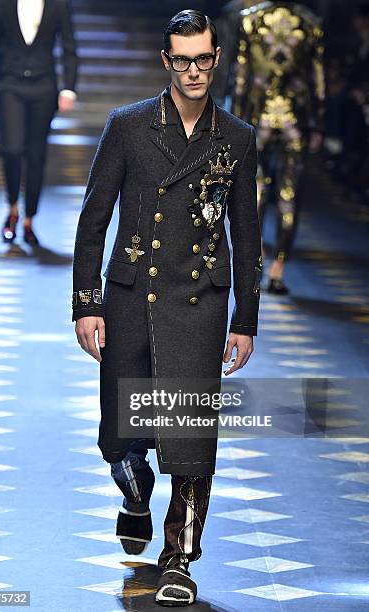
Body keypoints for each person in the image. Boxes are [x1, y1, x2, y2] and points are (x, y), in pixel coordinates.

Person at [72, 9, 261, 607]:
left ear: (216, 57)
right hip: (131, 294)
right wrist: (86, 303)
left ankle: (180, 557)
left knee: (190, 434)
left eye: (203, 58)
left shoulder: (236, 138)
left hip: (200, 298)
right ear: (166, 62)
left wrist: (244, 318)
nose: (194, 71)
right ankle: (134, 488)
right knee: (121, 435)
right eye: (182, 60)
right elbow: (93, 218)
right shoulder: (128, 126)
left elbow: (248, 232)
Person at [228, 1, 325, 294]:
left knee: (254, 189)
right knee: (289, 193)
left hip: (258, 120)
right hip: (294, 120)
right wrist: (318, 124)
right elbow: (317, 84)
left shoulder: (251, 21)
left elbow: (241, 79)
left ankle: (254, 262)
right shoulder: (310, 24)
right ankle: (278, 272)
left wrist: (234, 120)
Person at [0, 0, 78, 245]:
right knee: (11, 149)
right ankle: (13, 208)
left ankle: (29, 220)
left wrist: (69, 87)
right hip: (9, 84)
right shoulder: (3, 4)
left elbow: (68, 44)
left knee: (36, 155)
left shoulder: (57, 5)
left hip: (44, 86)